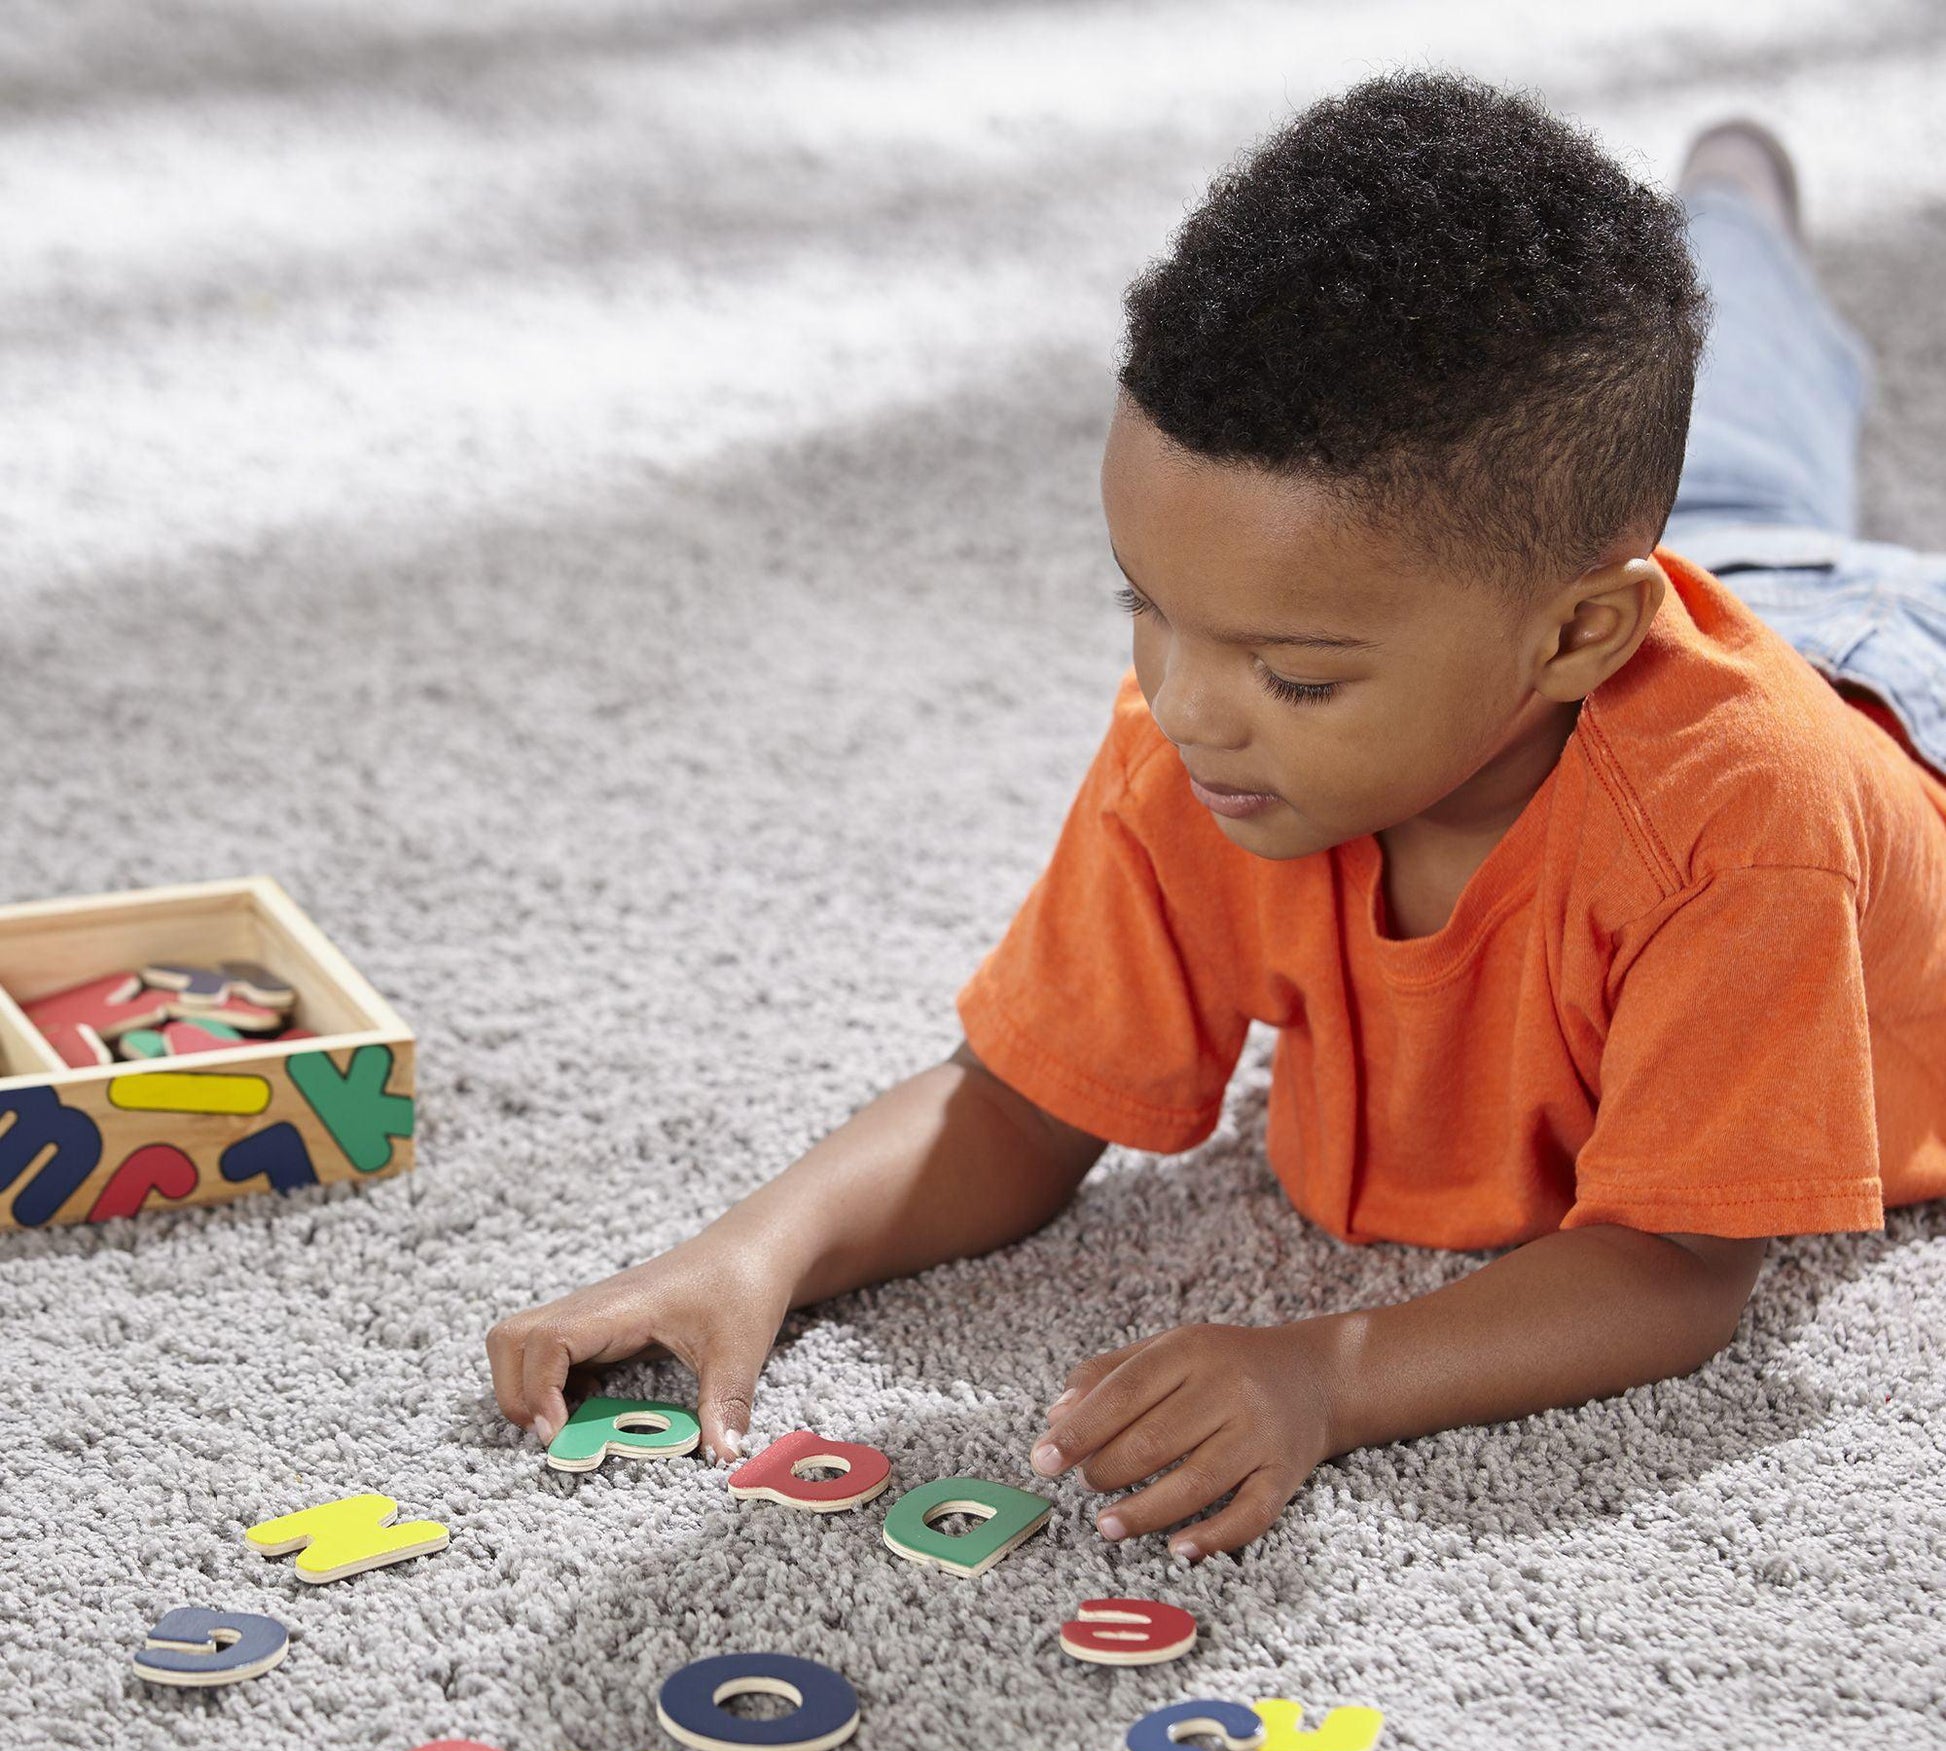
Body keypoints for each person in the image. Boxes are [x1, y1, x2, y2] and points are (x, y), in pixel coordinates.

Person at [486, 73, 1946, 1562]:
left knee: (1753, 444)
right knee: (1743, 438)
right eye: (1147, 607)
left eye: (1295, 673)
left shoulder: (1744, 827)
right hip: (1653, 585)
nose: (1182, 704)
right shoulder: (1221, 738)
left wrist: (1326, 1370)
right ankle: (1733, 210)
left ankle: (1728, 230)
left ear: (1577, 637)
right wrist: (752, 1250)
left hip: (1887, 701)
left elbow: (1679, 1266)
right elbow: (1012, 1102)